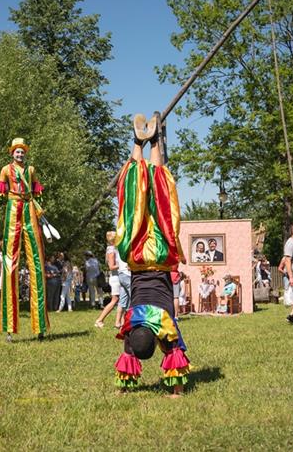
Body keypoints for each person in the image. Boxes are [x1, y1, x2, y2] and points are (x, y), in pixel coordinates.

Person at [113, 113, 189, 397]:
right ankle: (139, 143)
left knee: (160, 198)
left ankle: (152, 141)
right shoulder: (131, 323)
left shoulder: (161, 326)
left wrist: (176, 391)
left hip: (159, 258)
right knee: (134, 202)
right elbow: (132, 355)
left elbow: (174, 356)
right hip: (136, 259)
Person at [0, 137, 49, 341]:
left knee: (37, 263)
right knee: (10, 263)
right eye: (17, 151)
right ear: (12, 153)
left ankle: (40, 327)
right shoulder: (5, 170)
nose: (20, 154)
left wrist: (40, 213)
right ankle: (9, 327)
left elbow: (37, 192)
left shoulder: (31, 170)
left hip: (29, 209)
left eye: (22, 151)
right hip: (13, 208)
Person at [96, 231, 131, 327]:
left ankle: (119, 322)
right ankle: (100, 320)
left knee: (121, 300)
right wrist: (122, 265)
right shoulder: (111, 250)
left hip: (118, 275)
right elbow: (111, 267)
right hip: (116, 277)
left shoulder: (113, 248)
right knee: (115, 300)